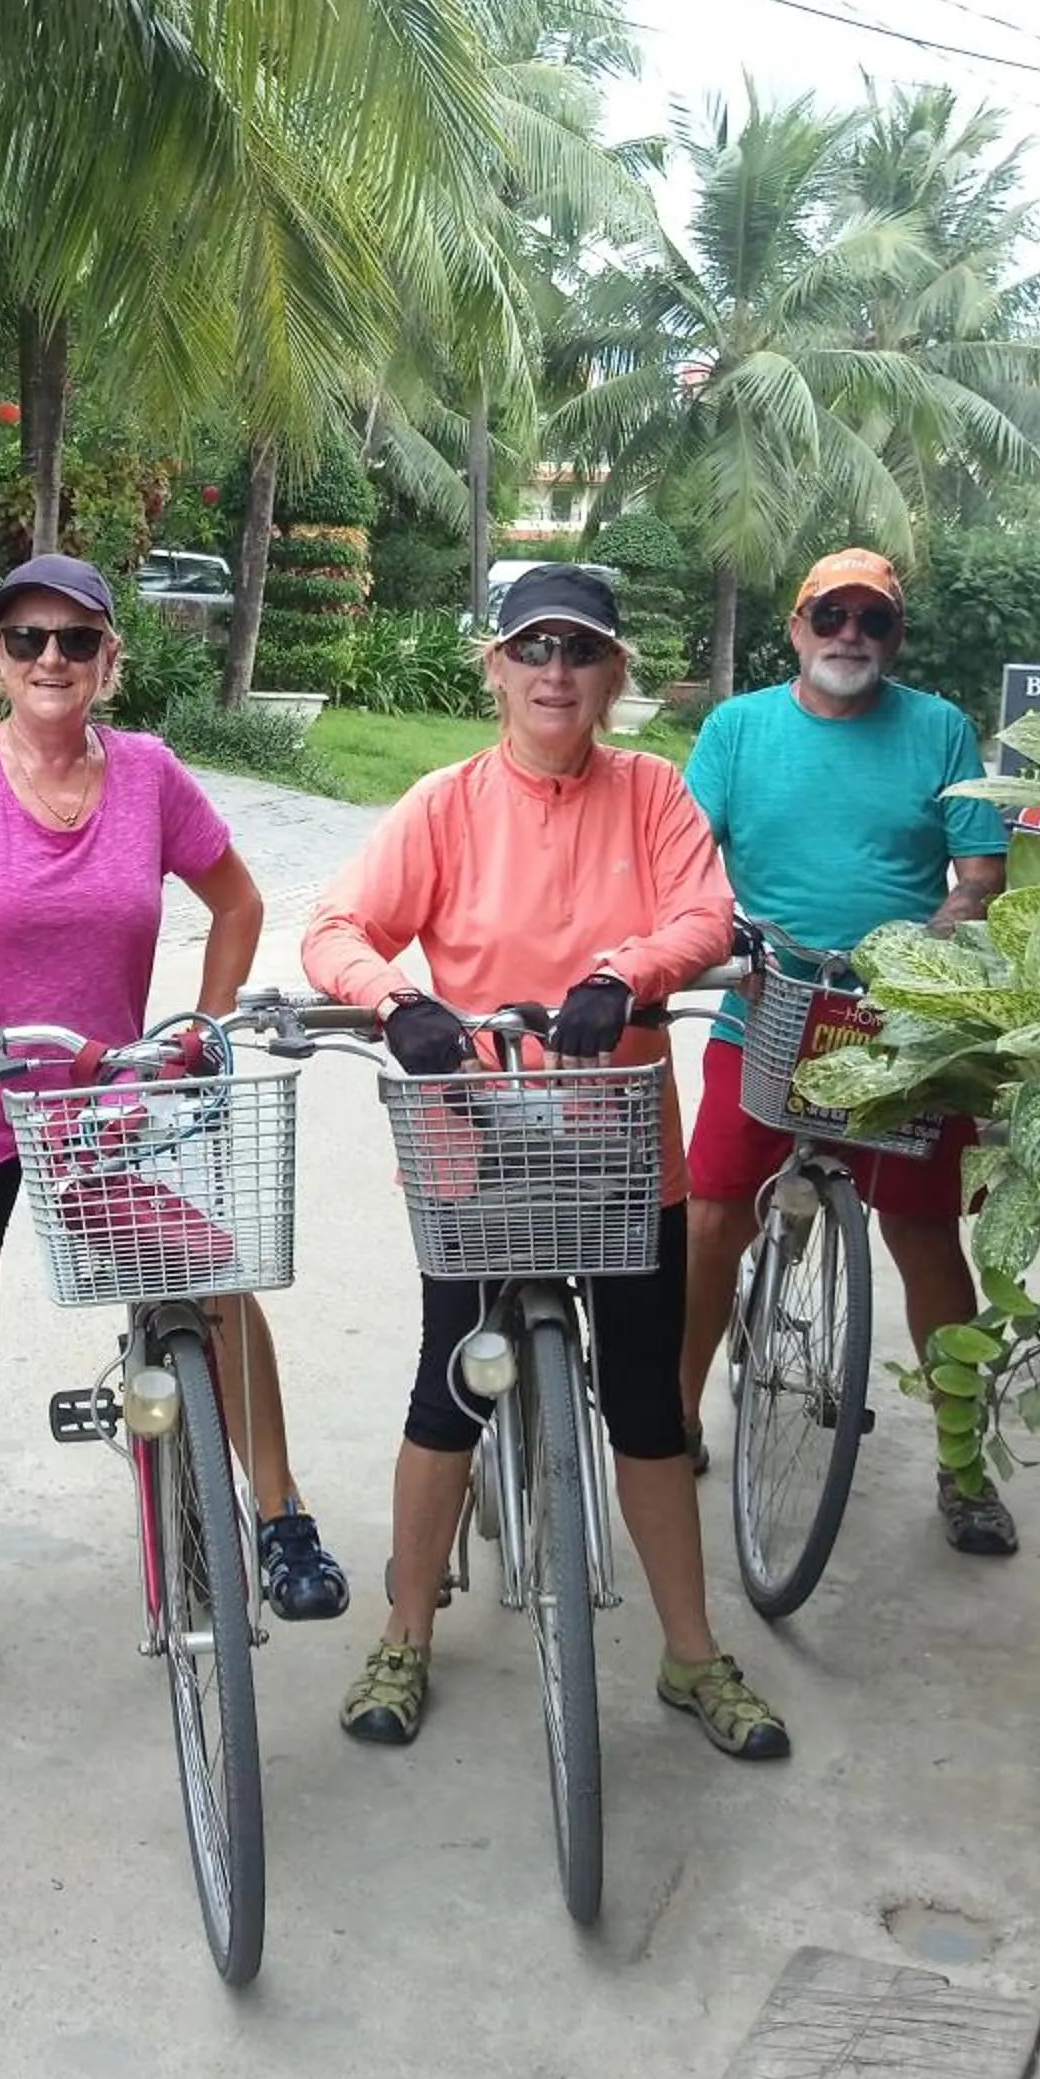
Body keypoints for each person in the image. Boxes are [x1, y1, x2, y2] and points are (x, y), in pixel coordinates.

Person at [0, 549, 350, 1722]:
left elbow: (238, 902)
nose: (51, 659)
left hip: (99, 1094)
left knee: (210, 1287)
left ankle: (279, 1513)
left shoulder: (151, 776)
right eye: (27, 640)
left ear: (111, 659)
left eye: (75, 640)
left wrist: (203, 1030)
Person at [301, 566, 788, 1760]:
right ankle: (403, 1634)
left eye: (579, 652)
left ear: (612, 672)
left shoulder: (655, 795)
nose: (554, 673)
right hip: (476, 1142)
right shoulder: (442, 802)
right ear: (496, 669)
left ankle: (690, 1655)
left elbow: (708, 913)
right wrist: (394, 1000)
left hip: (619, 1148)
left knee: (645, 1412)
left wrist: (626, 974)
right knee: (445, 1391)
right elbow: (331, 929)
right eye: (532, 651)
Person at [678, 547, 1013, 1551]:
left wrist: (940, 935)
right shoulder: (738, 728)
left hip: (903, 1027)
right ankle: (674, 1416)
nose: (849, 637)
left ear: (892, 637)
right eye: (830, 617)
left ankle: (960, 1468)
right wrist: (716, 936)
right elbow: (688, 858)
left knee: (920, 1234)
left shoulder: (936, 727)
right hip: (766, 1008)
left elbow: (977, 870)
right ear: (795, 626)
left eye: (871, 621)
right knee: (706, 1220)